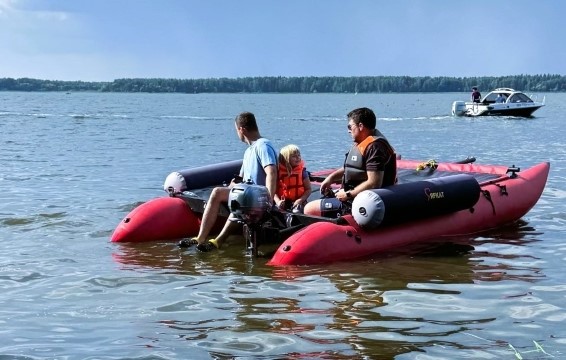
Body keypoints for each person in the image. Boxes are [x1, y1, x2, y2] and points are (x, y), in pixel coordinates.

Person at [181, 111, 278, 252]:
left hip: (259, 196)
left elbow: (272, 172)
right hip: (247, 193)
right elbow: (242, 178)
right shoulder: (249, 151)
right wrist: (233, 184)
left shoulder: (263, 146)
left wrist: (268, 199)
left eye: (236, 130)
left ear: (241, 129)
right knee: (218, 193)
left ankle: (218, 241)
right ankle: (201, 238)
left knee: (236, 199)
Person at [304, 107, 396, 217]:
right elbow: (352, 168)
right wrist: (331, 178)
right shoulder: (363, 143)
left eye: (350, 126)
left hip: (365, 203)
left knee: (309, 209)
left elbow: (374, 182)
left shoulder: (375, 147)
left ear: (360, 126)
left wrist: (348, 194)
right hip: (353, 195)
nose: (348, 130)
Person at [274, 144, 312, 213]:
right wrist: (278, 201)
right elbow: (273, 191)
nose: (298, 157)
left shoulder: (302, 172)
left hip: (299, 202)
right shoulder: (278, 172)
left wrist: (300, 200)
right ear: (286, 159)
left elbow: (308, 189)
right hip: (283, 202)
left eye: (299, 155)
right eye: (294, 156)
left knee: (297, 212)